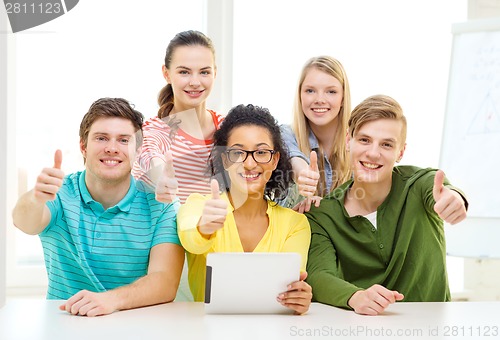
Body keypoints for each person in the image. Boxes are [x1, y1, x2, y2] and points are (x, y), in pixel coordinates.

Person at [12, 98, 184, 317]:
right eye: (101, 138)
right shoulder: (60, 193)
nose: (112, 148)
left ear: (138, 150)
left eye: (123, 140)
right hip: (64, 325)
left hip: (135, 327)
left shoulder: (161, 205)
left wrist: (109, 301)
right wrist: (36, 198)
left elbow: (165, 282)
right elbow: (23, 222)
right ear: (83, 146)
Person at [305, 94, 468, 316]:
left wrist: (455, 199)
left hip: (433, 329)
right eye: (364, 140)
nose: (373, 153)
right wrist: (356, 296)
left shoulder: (418, 185)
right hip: (363, 330)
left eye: (386, 144)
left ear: (400, 152)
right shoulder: (323, 214)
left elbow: (441, 191)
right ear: (347, 141)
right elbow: (319, 275)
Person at [177, 104, 312, 314]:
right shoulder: (198, 206)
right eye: (238, 152)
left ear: (275, 159)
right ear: (224, 159)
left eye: (261, 152)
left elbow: (291, 287)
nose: (249, 164)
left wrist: (299, 298)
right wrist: (204, 227)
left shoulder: (295, 224)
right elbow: (190, 239)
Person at [132, 30, 223, 204]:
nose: (195, 82)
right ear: (167, 74)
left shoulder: (228, 127)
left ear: (215, 73)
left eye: (204, 72)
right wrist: (161, 179)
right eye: (184, 72)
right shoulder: (152, 131)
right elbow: (149, 154)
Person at [280, 56, 352, 211]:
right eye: (310, 90)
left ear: (343, 97)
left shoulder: (358, 142)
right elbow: (293, 157)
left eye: (331, 91)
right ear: (300, 95)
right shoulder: (285, 134)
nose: (320, 99)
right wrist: (303, 174)